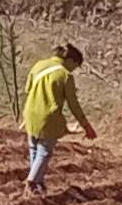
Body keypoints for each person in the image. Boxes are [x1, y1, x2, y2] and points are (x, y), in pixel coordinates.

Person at [20, 43, 90, 194]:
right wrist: (86, 125)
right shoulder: (65, 75)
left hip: (30, 114)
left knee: (34, 148)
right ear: (70, 61)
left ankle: (38, 182)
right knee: (44, 151)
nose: (74, 70)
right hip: (48, 118)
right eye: (75, 66)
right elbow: (73, 104)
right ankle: (31, 182)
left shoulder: (39, 65)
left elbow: (28, 89)